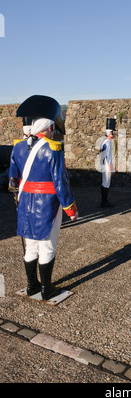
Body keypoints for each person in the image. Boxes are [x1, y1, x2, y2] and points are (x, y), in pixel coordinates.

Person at [9, 95, 78, 300]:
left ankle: (32, 285)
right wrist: (70, 208)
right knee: (47, 245)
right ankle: (47, 289)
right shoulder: (54, 148)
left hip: (25, 202)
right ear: (48, 127)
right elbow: (61, 183)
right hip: (47, 203)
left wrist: (17, 198)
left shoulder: (18, 147)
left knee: (30, 245)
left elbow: (13, 179)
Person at [99, 118, 116, 207]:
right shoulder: (108, 142)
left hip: (103, 164)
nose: (114, 133)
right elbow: (107, 156)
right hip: (106, 164)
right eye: (113, 132)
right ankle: (104, 202)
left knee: (104, 182)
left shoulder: (104, 141)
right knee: (106, 183)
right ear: (110, 133)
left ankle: (104, 201)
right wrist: (110, 167)